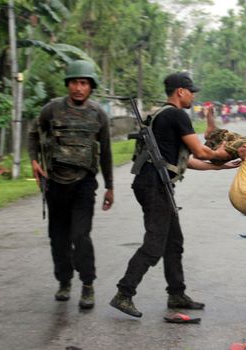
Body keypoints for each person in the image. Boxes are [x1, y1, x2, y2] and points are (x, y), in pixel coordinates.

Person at [110, 72, 232, 318]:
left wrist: (219, 166)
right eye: (191, 91)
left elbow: (183, 161)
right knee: (155, 244)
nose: (193, 96)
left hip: (153, 183)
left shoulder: (158, 115)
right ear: (180, 91)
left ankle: (176, 293)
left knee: (173, 242)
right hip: (154, 186)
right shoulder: (177, 115)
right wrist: (226, 153)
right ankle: (124, 293)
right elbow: (200, 151)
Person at [28, 60, 114, 309]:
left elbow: (106, 152)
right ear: (68, 84)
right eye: (75, 82)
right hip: (55, 184)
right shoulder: (51, 110)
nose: (79, 87)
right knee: (58, 238)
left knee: (80, 235)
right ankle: (64, 281)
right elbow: (33, 134)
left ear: (90, 87)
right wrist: (34, 161)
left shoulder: (98, 113)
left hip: (84, 184)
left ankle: (87, 284)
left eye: (84, 83)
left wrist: (110, 186)